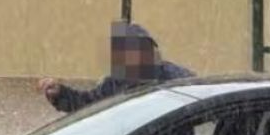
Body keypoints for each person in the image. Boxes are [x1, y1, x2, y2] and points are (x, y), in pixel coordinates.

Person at [36, 21, 194, 114]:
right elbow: (87, 105)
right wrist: (60, 93)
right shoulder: (116, 82)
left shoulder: (175, 77)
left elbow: (205, 103)